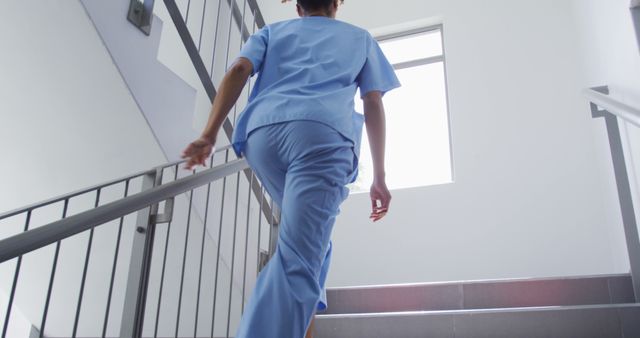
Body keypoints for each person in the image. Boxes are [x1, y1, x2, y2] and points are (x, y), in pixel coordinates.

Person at [181, 0, 400, 337]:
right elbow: (372, 101)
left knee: (313, 243)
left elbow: (239, 70)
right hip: (320, 136)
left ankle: (304, 318)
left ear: (298, 8)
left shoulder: (272, 31)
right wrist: (380, 177)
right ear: (335, 6)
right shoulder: (360, 38)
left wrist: (208, 134)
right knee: (298, 256)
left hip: (262, 136)